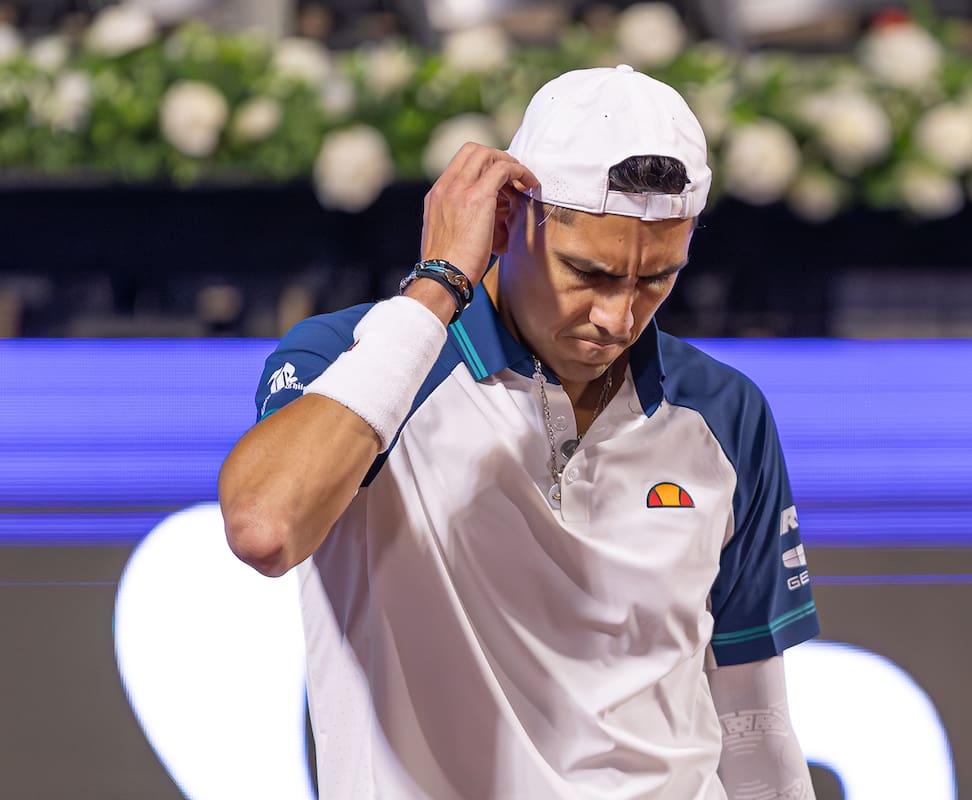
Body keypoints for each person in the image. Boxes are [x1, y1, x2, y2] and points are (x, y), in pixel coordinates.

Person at [219, 64, 820, 800]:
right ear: (505, 219)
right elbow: (265, 526)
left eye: (657, 278)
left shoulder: (728, 411)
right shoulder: (353, 360)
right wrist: (437, 282)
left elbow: (754, 717)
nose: (618, 318)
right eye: (588, 272)